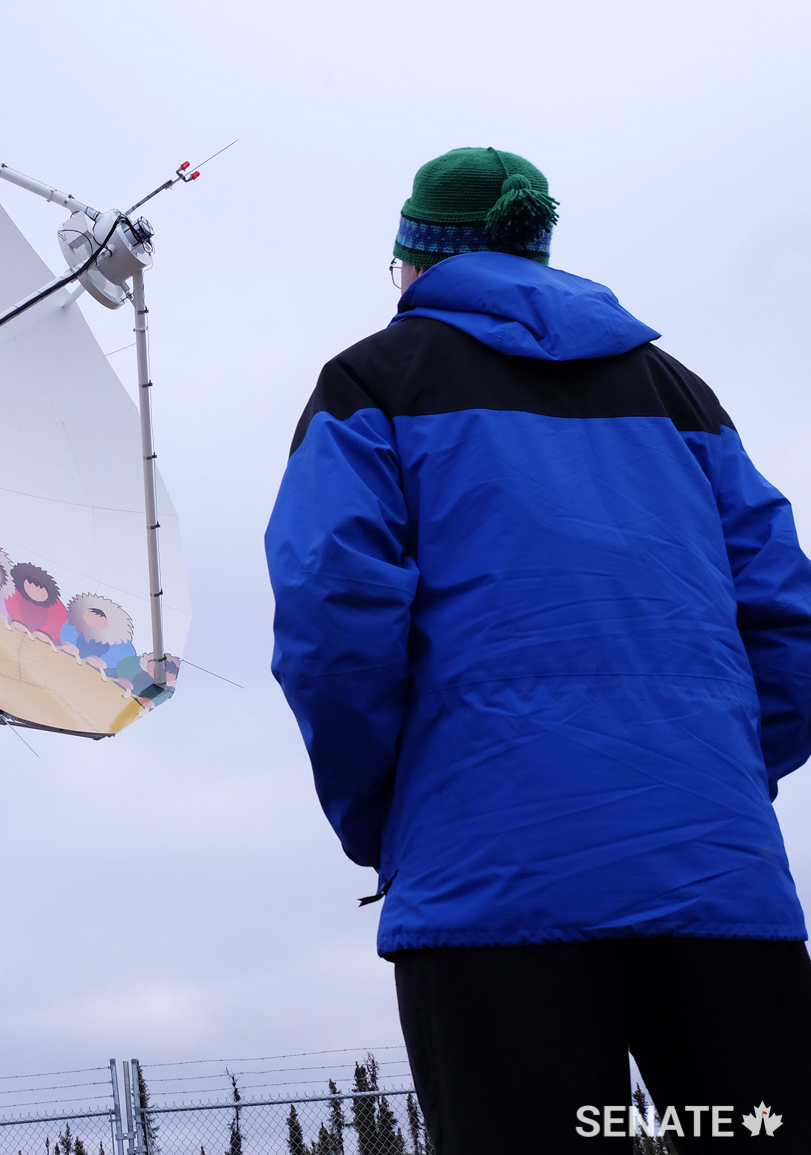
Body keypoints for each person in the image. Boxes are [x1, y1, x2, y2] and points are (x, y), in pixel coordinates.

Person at [265, 147, 811, 1152]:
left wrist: (389, 816)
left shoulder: (369, 384)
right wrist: (715, 776)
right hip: (720, 882)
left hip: (490, 888)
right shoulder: (681, 395)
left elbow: (331, 622)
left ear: (414, 261)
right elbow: (787, 618)